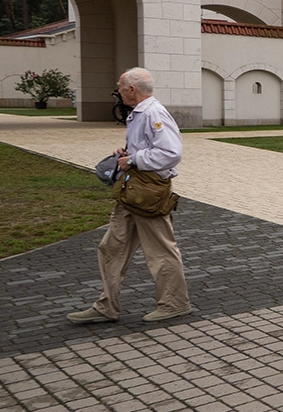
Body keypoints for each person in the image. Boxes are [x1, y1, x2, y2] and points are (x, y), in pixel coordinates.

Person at [68, 68, 192, 325]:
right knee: (111, 248)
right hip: (133, 191)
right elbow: (150, 148)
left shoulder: (153, 113)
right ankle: (106, 306)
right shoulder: (141, 113)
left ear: (132, 89)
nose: (119, 92)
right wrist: (128, 153)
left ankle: (175, 303)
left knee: (160, 251)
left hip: (148, 192)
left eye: (120, 88)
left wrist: (134, 159)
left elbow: (171, 153)